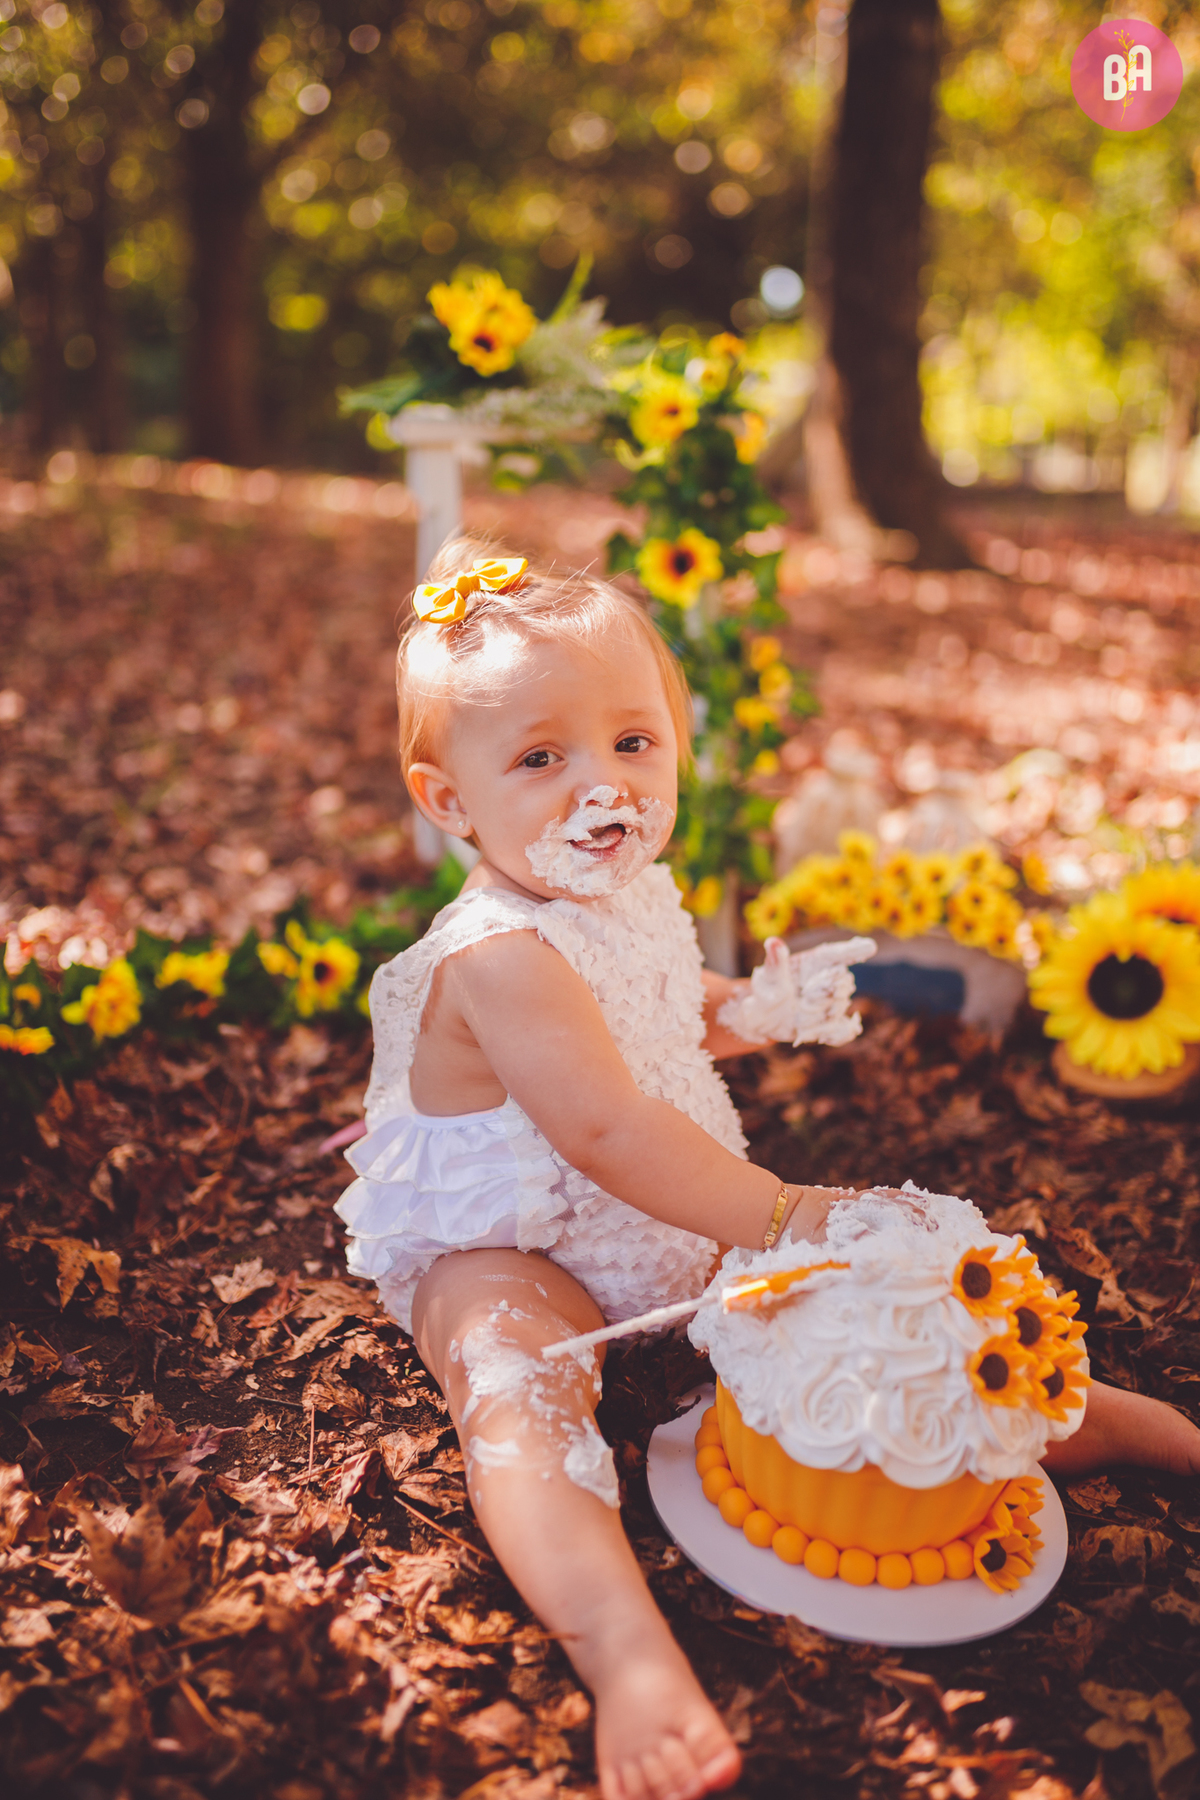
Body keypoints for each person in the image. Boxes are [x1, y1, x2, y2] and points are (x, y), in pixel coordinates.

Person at [337, 541, 1200, 1800]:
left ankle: (1110, 1421)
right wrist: (791, 1211)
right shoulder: (498, 955)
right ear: (449, 800)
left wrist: (758, 1007)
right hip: (513, 1242)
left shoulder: (630, 893)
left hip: (663, 1221)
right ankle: (624, 1651)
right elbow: (608, 1131)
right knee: (519, 1390)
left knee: (901, 1302)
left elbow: (665, 1002)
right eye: (540, 759)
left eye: (634, 742)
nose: (602, 785)